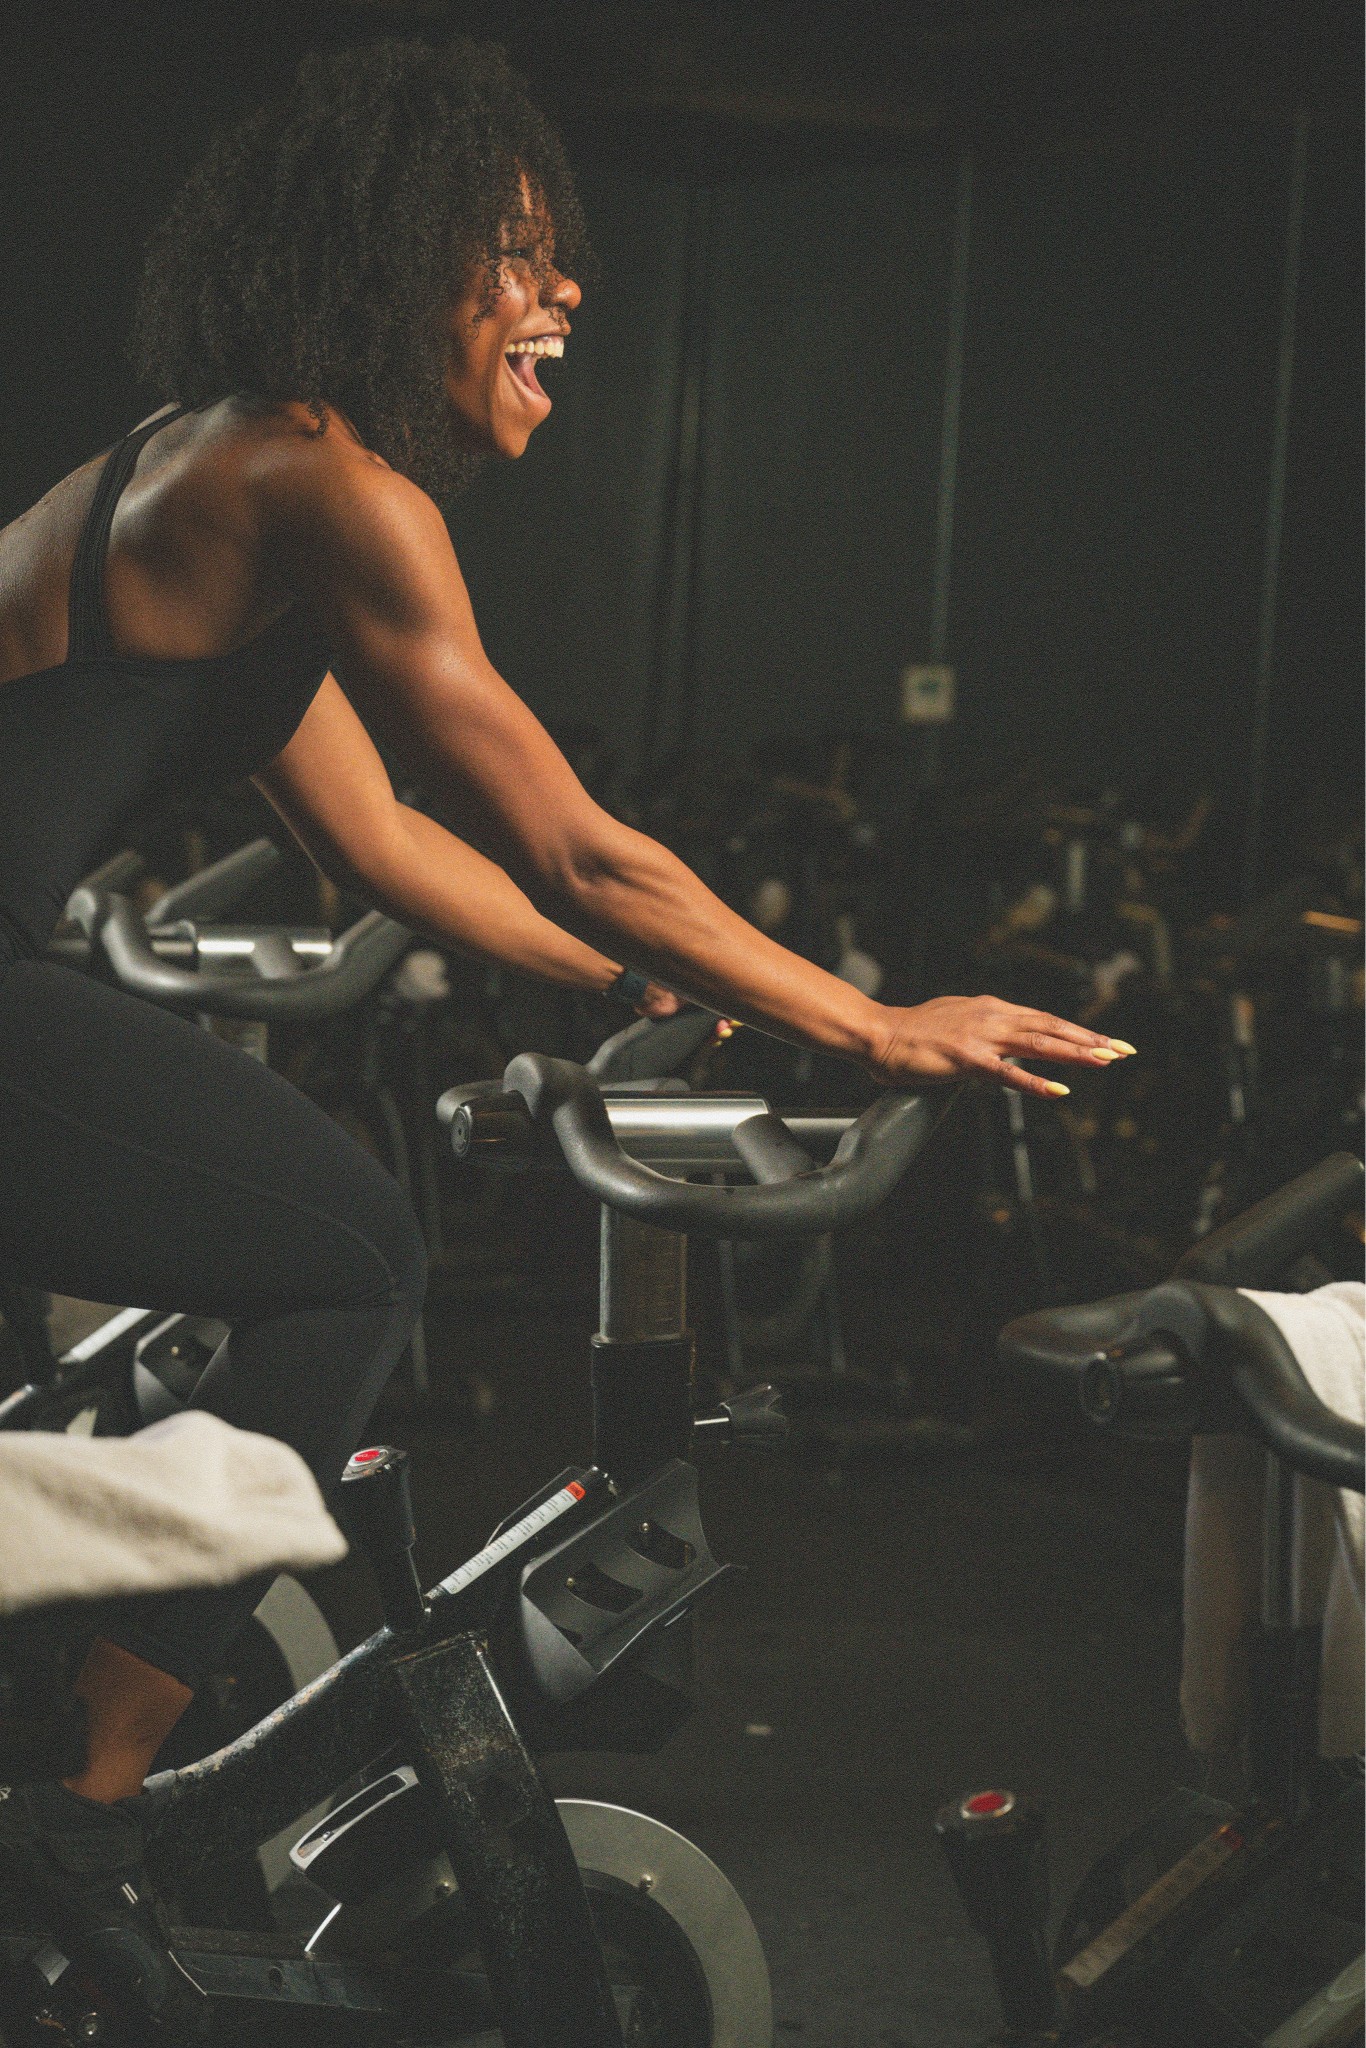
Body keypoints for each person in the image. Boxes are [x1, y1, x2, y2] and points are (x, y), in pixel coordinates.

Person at [0, 34, 1133, 2027]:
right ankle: (79, 1799)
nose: (564, 296)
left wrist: (644, 992)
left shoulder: (213, 463)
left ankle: (65, 1722)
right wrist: (866, 1024)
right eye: (513, 258)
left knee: (205, 1310)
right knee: (345, 1249)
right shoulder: (319, 483)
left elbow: (386, 850)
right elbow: (572, 839)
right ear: (394, 258)